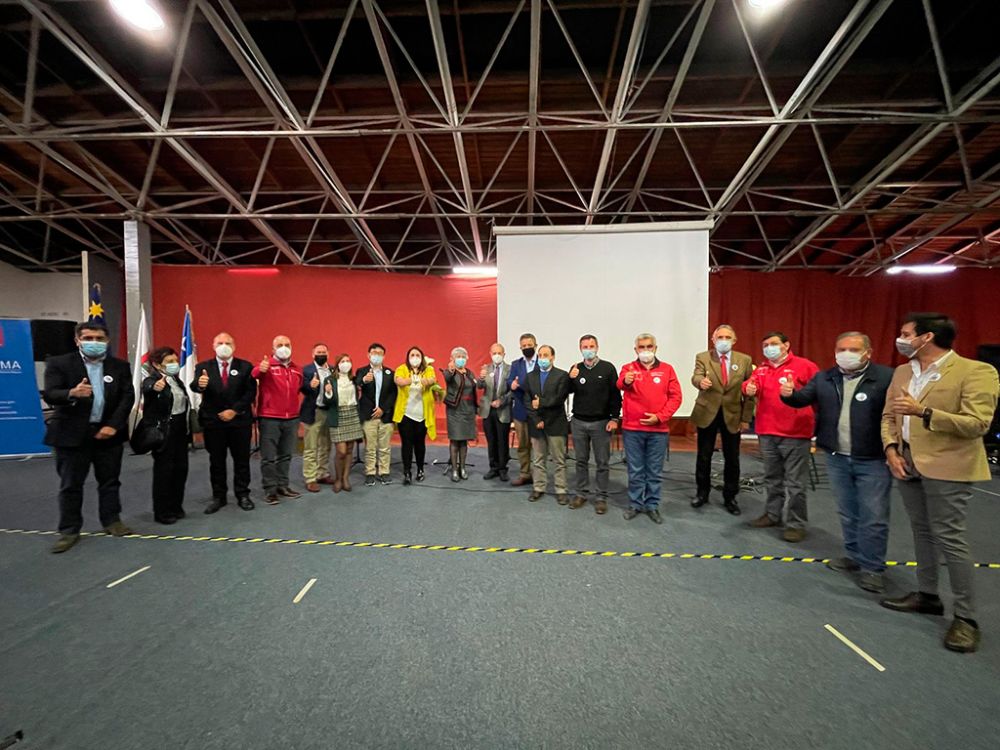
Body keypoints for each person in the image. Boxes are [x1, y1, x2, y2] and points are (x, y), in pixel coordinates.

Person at [880, 313, 999, 653]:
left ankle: (966, 617)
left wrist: (924, 413)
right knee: (921, 531)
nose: (901, 339)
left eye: (906, 334)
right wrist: (890, 449)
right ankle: (928, 595)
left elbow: (977, 424)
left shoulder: (976, 371)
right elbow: (889, 416)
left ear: (926, 337)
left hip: (949, 465)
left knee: (950, 538)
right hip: (906, 461)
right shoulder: (903, 371)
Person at [781, 332, 893, 593]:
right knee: (847, 511)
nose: (846, 353)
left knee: (874, 515)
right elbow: (802, 399)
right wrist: (788, 394)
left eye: (853, 349)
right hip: (836, 456)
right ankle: (853, 555)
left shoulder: (886, 378)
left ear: (868, 352)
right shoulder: (825, 377)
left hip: (873, 458)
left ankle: (873, 567)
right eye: (841, 348)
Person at [43, 320, 135, 553]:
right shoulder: (59, 363)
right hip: (71, 436)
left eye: (99, 339)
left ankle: (112, 520)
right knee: (71, 485)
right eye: (88, 338)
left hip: (108, 435)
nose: (94, 343)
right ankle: (69, 530)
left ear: (107, 341)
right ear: (78, 340)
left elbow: (127, 398)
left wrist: (114, 426)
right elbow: (51, 394)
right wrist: (71, 393)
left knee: (110, 482)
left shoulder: (119, 366)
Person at [742, 332, 819, 542]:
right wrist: (748, 388)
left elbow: (820, 392)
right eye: (765, 344)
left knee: (795, 482)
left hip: (795, 432)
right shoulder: (762, 368)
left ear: (786, 345)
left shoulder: (805, 366)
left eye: (773, 344)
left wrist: (796, 392)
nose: (769, 348)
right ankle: (772, 514)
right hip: (767, 431)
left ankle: (796, 523)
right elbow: (749, 385)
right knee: (772, 478)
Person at [617, 333, 682, 524]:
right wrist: (626, 381)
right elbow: (619, 384)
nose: (646, 350)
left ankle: (652, 505)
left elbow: (676, 397)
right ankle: (635, 504)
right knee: (635, 470)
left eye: (649, 346)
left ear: (655, 348)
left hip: (658, 430)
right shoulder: (628, 368)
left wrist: (660, 417)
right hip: (632, 429)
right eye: (642, 347)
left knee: (654, 471)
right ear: (636, 349)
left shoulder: (667, 369)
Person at [690, 324, 754, 515]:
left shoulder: (744, 360)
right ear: (713, 339)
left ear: (734, 340)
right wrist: (700, 382)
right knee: (704, 455)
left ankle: (730, 496)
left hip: (733, 414)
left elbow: (750, 391)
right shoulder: (703, 357)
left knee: (732, 458)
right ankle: (702, 493)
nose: (723, 341)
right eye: (720, 337)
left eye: (727, 337)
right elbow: (696, 376)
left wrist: (746, 418)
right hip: (707, 412)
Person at [190, 332, 257, 513]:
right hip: (214, 423)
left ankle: (242, 494)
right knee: (216, 461)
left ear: (234, 346)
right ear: (213, 345)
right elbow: (195, 385)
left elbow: (250, 393)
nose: (224, 345)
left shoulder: (245, 366)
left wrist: (234, 410)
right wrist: (200, 384)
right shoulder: (203, 367)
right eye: (220, 342)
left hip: (239, 422)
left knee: (242, 461)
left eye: (228, 342)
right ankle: (219, 497)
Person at [567, 335, 620, 515]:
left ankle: (601, 497)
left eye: (591, 345)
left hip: (601, 423)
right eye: (585, 346)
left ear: (597, 347)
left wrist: (614, 419)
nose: (588, 349)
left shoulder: (608, 368)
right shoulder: (576, 369)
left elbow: (615, 396)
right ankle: (581, 493)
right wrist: (569, 378)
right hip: (579, 422)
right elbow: (566, 392)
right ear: (580, 348)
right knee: (581, 460)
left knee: (602, 462)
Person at [142, 346, 191, 525]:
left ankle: (176, 506)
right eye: (169, 362)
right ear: (157, 364)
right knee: (164, 472)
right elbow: (147, 388)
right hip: (164, 431)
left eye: (175, 361)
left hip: (180, 430)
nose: (174, 364)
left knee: (180, 469)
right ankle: (161, 511)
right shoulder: (152, 380)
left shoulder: (176, 380)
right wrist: (154, 387)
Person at [252, 335, 304, 505]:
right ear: (273, 349)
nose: (283, 347)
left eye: (287, 344)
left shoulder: (297, 369)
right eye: (279, 345)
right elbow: (254, 374)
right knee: (268, 457)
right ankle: (270, 489)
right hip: (270, 418)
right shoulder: (266, 366)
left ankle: (283, 485)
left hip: (292, 418)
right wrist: (262, 368)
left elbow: (299, 390)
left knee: (286, 455)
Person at [524, 345, 570, 503]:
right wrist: (537, 420)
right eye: (540, 355)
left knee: (559, 460)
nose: (542, 358)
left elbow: (558, 399)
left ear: (553, 357)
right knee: (538, 459)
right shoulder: (530, 376)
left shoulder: (562, 376)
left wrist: (540, 402)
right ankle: (538, 487)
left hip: (556, 423)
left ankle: (561, 489)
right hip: (537, 424)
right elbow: (528, 401)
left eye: (546, 355)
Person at [393, 346, 438, 485]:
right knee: (406, 444)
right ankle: (407, 472)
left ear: (422, 357)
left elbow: (433, 379)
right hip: (405, 414)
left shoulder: (428, 369)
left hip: (422, 415)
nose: (415, 357)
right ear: (408, 357)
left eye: (418, 355)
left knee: (420, 444)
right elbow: (398, 380)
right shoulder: (402, 368)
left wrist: (427, 381)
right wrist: (413, 380)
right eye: (412, 355)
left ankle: (420, 469)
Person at [356, 343, 397, 486]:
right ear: (368, 355)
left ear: (384, 356)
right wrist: (363, 381)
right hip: (368, 415)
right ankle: (370, 472)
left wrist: (383, 409)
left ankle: (384, 472)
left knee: (385, 446)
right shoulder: (362, 371)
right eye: (374, 352)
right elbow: (357, 383)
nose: (376, 355)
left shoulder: (390, 373)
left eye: (380, 353)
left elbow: (393, 394)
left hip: (385, 416)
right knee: (370, 447)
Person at [442, 346, 480, 482]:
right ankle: (454, 469)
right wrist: (451, 369)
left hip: (468, 410)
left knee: (464, 440)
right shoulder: (450, 372)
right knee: (455, 440)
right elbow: (447, 378)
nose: (461, 359)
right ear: (452, 359)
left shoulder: (469, 373)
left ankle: (462, 467)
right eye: (458, 357)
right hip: (455, 410)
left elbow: (475, 387)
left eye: (463, 357)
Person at [300, 343, 335, 492]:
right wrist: (311, 385)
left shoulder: (333, 370)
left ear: (328, 353)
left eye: (324, 352)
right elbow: (302, 387)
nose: (321, 354)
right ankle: (310, 478)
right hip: (313, 412)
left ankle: (322, 473)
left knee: (326, 445)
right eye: (318, 352)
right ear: (313, 354)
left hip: (329, 412)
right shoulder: (307, 370)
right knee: (311, 447)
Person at [327, 353, 364, 492]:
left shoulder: (353, 380)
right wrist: (329, 393)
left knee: (349, 450)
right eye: (343, 361)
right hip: (338, 415)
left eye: (348, 361)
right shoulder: (330, 380)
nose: (346, 363)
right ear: (337, 364)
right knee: (341, 451)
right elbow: (327, 402)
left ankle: (345, 478)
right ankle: (337, 478)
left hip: (352, 414)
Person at [506, 333, 538, 486]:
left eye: (529, 345)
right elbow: (510, 381)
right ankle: (525, 473)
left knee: (539, 446)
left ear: (535, 345)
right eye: (524, 346)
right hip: (520, 411)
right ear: (520, 347)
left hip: (538, 412)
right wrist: (511, 384)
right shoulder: (516, 364)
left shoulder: (542, 362)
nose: (527, 348)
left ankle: (539, 475)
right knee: (523, 445)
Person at [477, 343, 512, 481]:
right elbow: (479, 387)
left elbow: (512, 391)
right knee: (491, 440)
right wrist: (480, 378)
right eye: (494, 353)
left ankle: (503, 469)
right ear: (490, 354)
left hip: (503, 410)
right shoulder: (486, 368)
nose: (496, 355)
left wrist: (501, 401)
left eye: (499, 353)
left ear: (504, 354)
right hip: (487, 410)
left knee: (502, 441)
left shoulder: (510, 369)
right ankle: (493, 467)